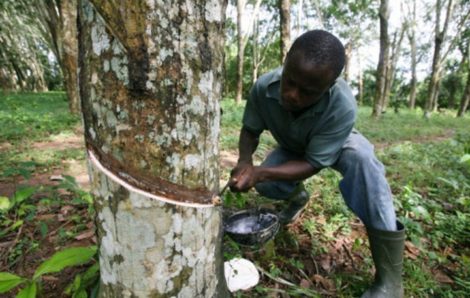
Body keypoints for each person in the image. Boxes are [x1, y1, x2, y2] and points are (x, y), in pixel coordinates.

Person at [229, 30, 405, 298]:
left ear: (330, 85)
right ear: (286, 61)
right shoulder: (263, 88)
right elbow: (250, 130)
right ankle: (298, 199)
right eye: (289, 81)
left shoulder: (342, 105)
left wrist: (260, 172)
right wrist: (245, 161)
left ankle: (390, 281)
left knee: (364, 164)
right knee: (268, 186)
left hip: (338, 143)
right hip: (293, 145)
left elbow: (313, 163)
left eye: (307, 92)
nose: (292, 95)